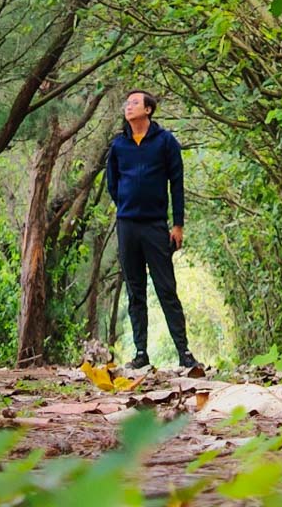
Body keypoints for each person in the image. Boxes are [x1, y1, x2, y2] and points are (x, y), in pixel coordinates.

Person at [106, 88, 201, 370]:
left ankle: (184, 353)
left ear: (148, 109)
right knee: (135, 291)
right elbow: (113, 183)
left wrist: (178, 224)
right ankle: (140, 353)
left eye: (135, 102)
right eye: (127, 102)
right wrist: (125, 204)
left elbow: (177, 183)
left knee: (166, 289)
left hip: (155, 226)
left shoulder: (165, 141)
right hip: (127, 226)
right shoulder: (118, 145)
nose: (128, 106)